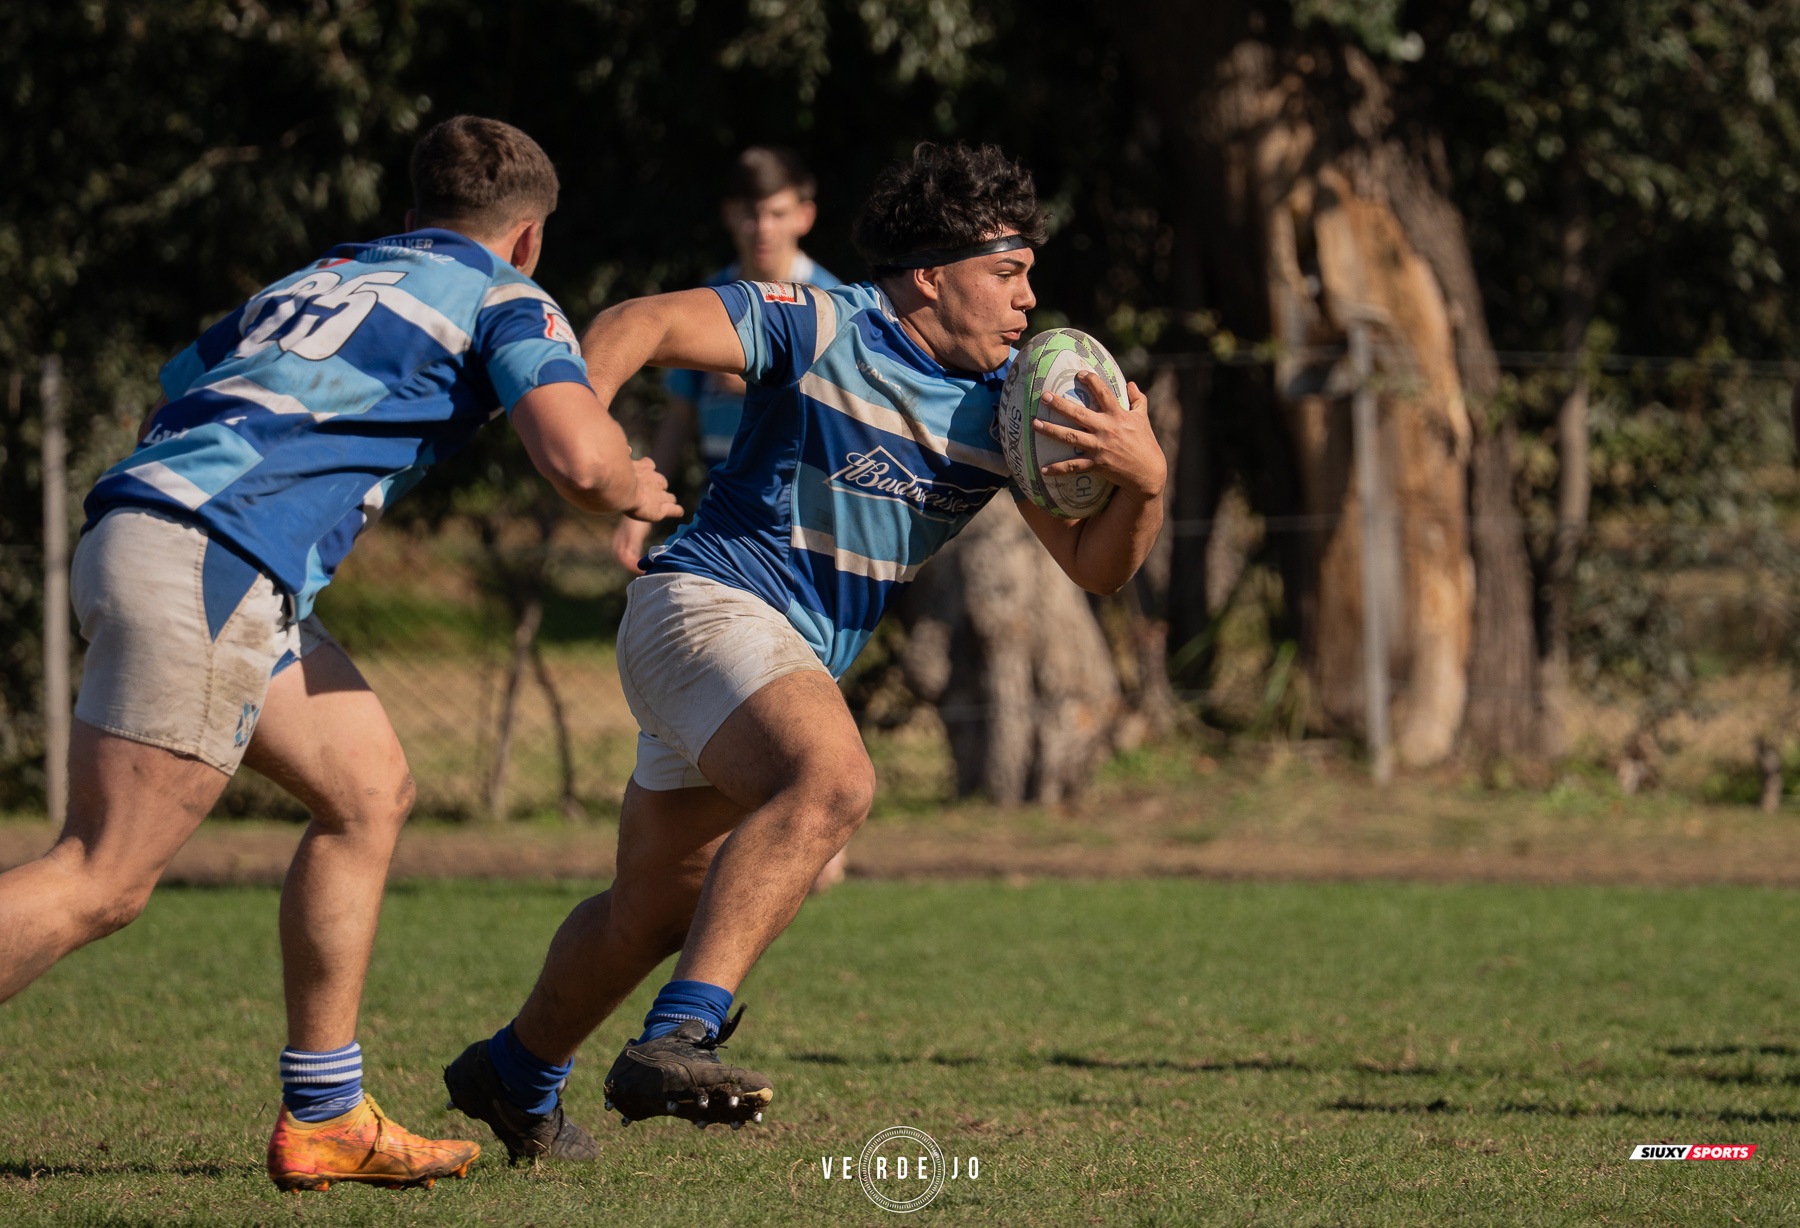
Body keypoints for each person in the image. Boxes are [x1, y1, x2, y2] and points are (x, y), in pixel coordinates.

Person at [442, 142, 1167, 1161]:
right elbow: (634, 323)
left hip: (763, 658)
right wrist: (585, 452)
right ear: (932, 274)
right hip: (705, 606)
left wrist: (1145, 481)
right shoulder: (823, 321)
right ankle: (680, 1033)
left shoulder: (1009, 407)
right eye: (1008, 271)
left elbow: (1097, 566)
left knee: (650, 911)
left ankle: (513, 1076)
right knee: (834, 781)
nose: (1028, 297)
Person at [0, 116, 678, 1192]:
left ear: (412, 217)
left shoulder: (322, 274)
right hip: (214, 558)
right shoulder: (505, 295)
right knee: (102, 875)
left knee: (367, 790)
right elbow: (577, 454)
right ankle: (324, 1113)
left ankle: (326, 1113)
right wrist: (630, 483)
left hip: (160, 537)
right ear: (529, 236)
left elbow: (172, 392)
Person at [612, 146, 849, 892]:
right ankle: (730, 841)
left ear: (804, 214)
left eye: (777, 212)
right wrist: (634, 499)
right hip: (725, 520)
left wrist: (763, 373)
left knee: (805, 668)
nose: (762, 228)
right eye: (750, 213)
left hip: (810, 519)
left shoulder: (840, 305)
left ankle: (815, 828)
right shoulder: (710, 300)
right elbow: (679, 411)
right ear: (730, 217)